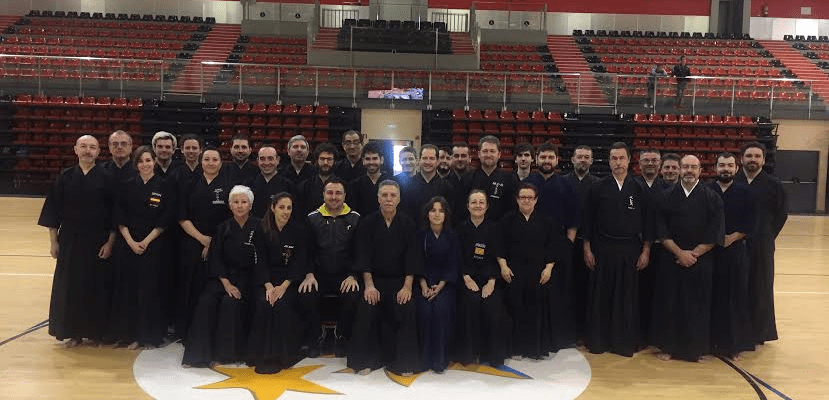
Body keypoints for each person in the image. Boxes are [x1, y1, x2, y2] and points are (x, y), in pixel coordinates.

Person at [38, 135, 116, 348]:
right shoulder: (65, 177)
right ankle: (73, 333)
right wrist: (53, 242)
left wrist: (110, 243)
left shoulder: (108, 177)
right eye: (83, 146)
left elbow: (115, 215)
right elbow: (53, 210)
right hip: (70, 241)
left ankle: (97, 333)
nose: (87, 150)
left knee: (98, 287)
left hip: (99, 241)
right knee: (69, 288)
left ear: (98, 152)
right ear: (75, 150)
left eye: (92, 147)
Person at [582, 142, 653, 357]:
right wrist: (587, 248)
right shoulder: (597, 187)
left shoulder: (639, 187)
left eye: (622, 158)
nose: (618, 162)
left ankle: (623, 343)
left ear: (629, 160)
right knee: (601, 296)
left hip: (630, 250)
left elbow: (648, 222)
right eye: (614, 158)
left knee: (626, 298)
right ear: (609, 161)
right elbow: (588, 220)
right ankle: (599, 341)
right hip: (602, 249)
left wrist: (646, 250)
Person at [652, 155, 724, 362]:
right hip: (671, 259)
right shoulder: (665, 197)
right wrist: (679, 253)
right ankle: (668, 347)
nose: (689, 170)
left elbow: (715, 232)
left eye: (693, 167)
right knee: (669, 303)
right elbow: (661, 230)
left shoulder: (712, 198)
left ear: (700, 171)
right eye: (685, 167)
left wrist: (694, 254)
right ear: (679, 170)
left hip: (700, 259)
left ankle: (696, 349)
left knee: (698, 305)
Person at [348, 180, 421, 375]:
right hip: (375, 281)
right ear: (378, 198)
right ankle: (367, 360)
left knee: (407, 306)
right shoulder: (367, 223)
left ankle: (404, 363)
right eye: (385, 195)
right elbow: (363, 256)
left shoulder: (408, 223)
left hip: (400, 281)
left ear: (399, 199)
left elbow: (412, 258)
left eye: (393, 195)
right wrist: (369, 286)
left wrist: (407, 287)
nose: (389, 199)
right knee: (367, 306)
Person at [182, 185, 260, 368]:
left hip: (248, 278)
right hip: (223, 277)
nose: (239, 205)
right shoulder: (222, 228)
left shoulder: (260, 226)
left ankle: (226, 355)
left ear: (250, 205)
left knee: (230, 302)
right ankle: (198, 356)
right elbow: (215, 259)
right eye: (236, 202)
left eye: (244, 202)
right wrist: (226, 284)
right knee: (206, 301)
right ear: (230, 205)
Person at [110, 146, 173, 350]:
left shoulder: (165, 185)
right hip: (128, 245)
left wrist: (146, 241)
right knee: (129, 291)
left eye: (148, 160)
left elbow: (165, 218)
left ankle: (149, 336)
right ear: (135, 164)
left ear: (154, 161)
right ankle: (129, 335)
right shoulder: (126, 185)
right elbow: (120, 216)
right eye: (140, 161)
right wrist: (130, 241)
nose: (145, 164)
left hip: (154, 246)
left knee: (150, 292)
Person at [175, 147, 234, 339]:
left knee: (212, 288)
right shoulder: (189, 183)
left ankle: (212, 333)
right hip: (191, 240)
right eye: (207, 159)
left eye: (214, 159)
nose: (210, 163)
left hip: (220, 242)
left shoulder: (229, 186)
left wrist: (212, 243)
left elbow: (231, 218)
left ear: (221, 163)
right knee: (188, 286)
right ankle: (186, 332)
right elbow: (182, 216)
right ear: (201, 162)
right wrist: (202, 239)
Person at [248, 192, 309, 374]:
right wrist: (268, 286)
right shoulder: (262, 229)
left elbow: (299, 261)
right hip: (265, 280)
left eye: (289, 208)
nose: (285, 211)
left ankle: (283, 356)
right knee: (265, 303)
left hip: (288, 281)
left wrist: (284, 286)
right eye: (281, 207)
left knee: (282, 304)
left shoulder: (298, 230)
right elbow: (259, 260)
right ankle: (260, 355)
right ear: (273, 208)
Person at [733, 141, 788, 345]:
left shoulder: (774, 185)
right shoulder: (733, 181)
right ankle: (736, 331)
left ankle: (760, 333)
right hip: (735, 244)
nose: (753, 159)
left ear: (764, 160)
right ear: (741, 159)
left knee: (761, 287)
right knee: (736, 287)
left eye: (757, 156)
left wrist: (767, 235)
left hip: (762, 245)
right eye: (749, 156)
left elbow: (781, 214)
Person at [525, 141, 578, 348]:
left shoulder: (566, 184)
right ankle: (534, 336)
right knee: (534, 291)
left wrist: (568, 243)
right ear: (536, 159)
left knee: (559, 293)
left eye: (550, 157)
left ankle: (558, 338)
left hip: (559, 244)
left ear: (557, 160)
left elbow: (573, 218)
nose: (546, 161)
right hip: (532, 245)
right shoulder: (527, 182)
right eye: (543, 157)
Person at [301, 178, 361, 357]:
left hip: (345, 275)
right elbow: (306, 250)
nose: (334, 197)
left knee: (352, 295)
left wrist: (353, 275)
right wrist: (309, 274)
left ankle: (341, 337)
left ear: (345, 195)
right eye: (330, 193)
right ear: (323, 195)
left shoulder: (356, 218)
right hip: (318, 275)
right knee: (306, 293)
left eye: (338, 193)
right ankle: (315, 337)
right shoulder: (312, 218)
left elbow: (360, 251)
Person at [497, 183, 558, 359]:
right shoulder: (506, 220)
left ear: (536, 200)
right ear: (517, 200)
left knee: (535, 311)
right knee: (515, 310)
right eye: (523, 197)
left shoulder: (546, 222)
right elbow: (499, 246)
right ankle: (516, 349)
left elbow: (552, 247)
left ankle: (534, 350)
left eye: (530, 198)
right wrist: (503, 266)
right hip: (513, 273)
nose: (526, 201)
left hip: (538, 273)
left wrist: (548, 268)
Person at [454, 190, 510, 366]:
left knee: (492, 306)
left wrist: (492, 281)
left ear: (487, 206)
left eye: (481, 202)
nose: (477, 205)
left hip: (489, 279)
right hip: (466, 278)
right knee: (470, 303)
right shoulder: (459, 229)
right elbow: (456, 257)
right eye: (474, 202)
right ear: (467, 206)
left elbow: (498, 255)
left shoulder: (495, 228)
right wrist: (465, 277)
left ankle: (492, 356)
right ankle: (469, 354)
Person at [708, 152, 755, 360]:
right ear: (715, 168)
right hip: (710, 252)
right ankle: (708, 342)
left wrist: (732, 237)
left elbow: (751, 222)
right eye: (722, 165)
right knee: (710, 297)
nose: (725, 169)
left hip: (735, 252)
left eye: (729, 165)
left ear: (736, 168)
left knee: (733, 299)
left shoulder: (746, 192)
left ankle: (733, 344)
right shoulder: (707, 190)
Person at [416, 196, 460, 373]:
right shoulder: (420, 235)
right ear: (427, 214)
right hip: (423, 283)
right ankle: (424, 359)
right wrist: (423, 285)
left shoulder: (452, 236)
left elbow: (453, 264)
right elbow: (417, 262)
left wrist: (440, 286)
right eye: (433, 210)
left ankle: (440, 360)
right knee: (425, 311)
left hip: (445, 284)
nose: (436, 214)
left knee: (441, 310)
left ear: (446, 214)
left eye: (441, 211)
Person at [633, 148, 670, 345]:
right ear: (639, 164)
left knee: (659, 293)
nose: (650, 163)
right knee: (637, 293)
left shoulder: (668, 188)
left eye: (654, 160)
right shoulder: (631, 186)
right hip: (635, 247)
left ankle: (656, 336)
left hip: (662, 248)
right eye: (646, 160)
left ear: (660, 164)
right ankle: (637, 334)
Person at [564, 145, 597, 342]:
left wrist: (588, 245)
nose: (583, 160)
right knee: (566, 287)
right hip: (566, 243)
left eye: (586, 157)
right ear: (572, 159)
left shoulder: (598, 184)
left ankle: (585, 331)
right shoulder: (562, 182)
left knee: (586, 289)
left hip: (589, 244)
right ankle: (566, 331)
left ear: (591, 161)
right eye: (579, 156)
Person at [461, 136, 518, 221]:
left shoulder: (510, 179)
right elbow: (462, 208)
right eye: (485, 151)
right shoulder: (467, 178)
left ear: (499, 154)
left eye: (492, 151)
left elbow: (512, 209)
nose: (488, 155)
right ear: (479, 154)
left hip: (501, 227)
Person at [400, 144, 454, 221]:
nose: (428, 162)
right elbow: (404, 214)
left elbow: (449, 215)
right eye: (424, 158)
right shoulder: (407, 186)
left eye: (432, 158)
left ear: (438, 161)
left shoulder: (446, 186)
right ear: (419, 160)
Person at [248, 146, 296, 218]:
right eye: (262, 159)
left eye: (270, 158)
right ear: (258, 161)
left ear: (278, 160)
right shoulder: (249, 185)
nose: (266, 163)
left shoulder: (289, 186)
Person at [346, 142, 390, 216]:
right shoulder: (354, 185)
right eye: (367, 159)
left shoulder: (391, 183)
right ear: (363, 161)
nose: (371, 162)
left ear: (381, 160)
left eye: (375, 158)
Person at [298, 143, 339, 215]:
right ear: (317, 160)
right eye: (322, 159)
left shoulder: (342, 185)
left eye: (329, 159)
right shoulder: (305, 186)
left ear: (334, 162)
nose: (325, 163)